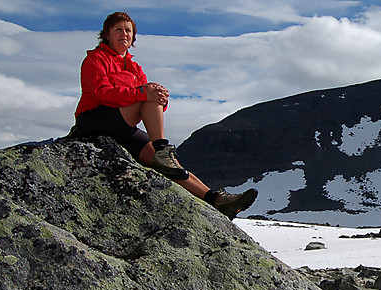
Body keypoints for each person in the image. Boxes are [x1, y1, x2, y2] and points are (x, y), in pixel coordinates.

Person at [71, 11, 256, 218]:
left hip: (121, 126)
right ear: (106, 35)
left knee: (170, 166)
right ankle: (162, 149)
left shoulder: (135, 68)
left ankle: (215, 199)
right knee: (155, 129)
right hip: (94, 119)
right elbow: (101, 93)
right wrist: (143, 93)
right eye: (118, 30)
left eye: (128, 30)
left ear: (133, 37)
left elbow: (146, 105)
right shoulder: (95, 59)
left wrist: (160, 99)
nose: (124, 34)